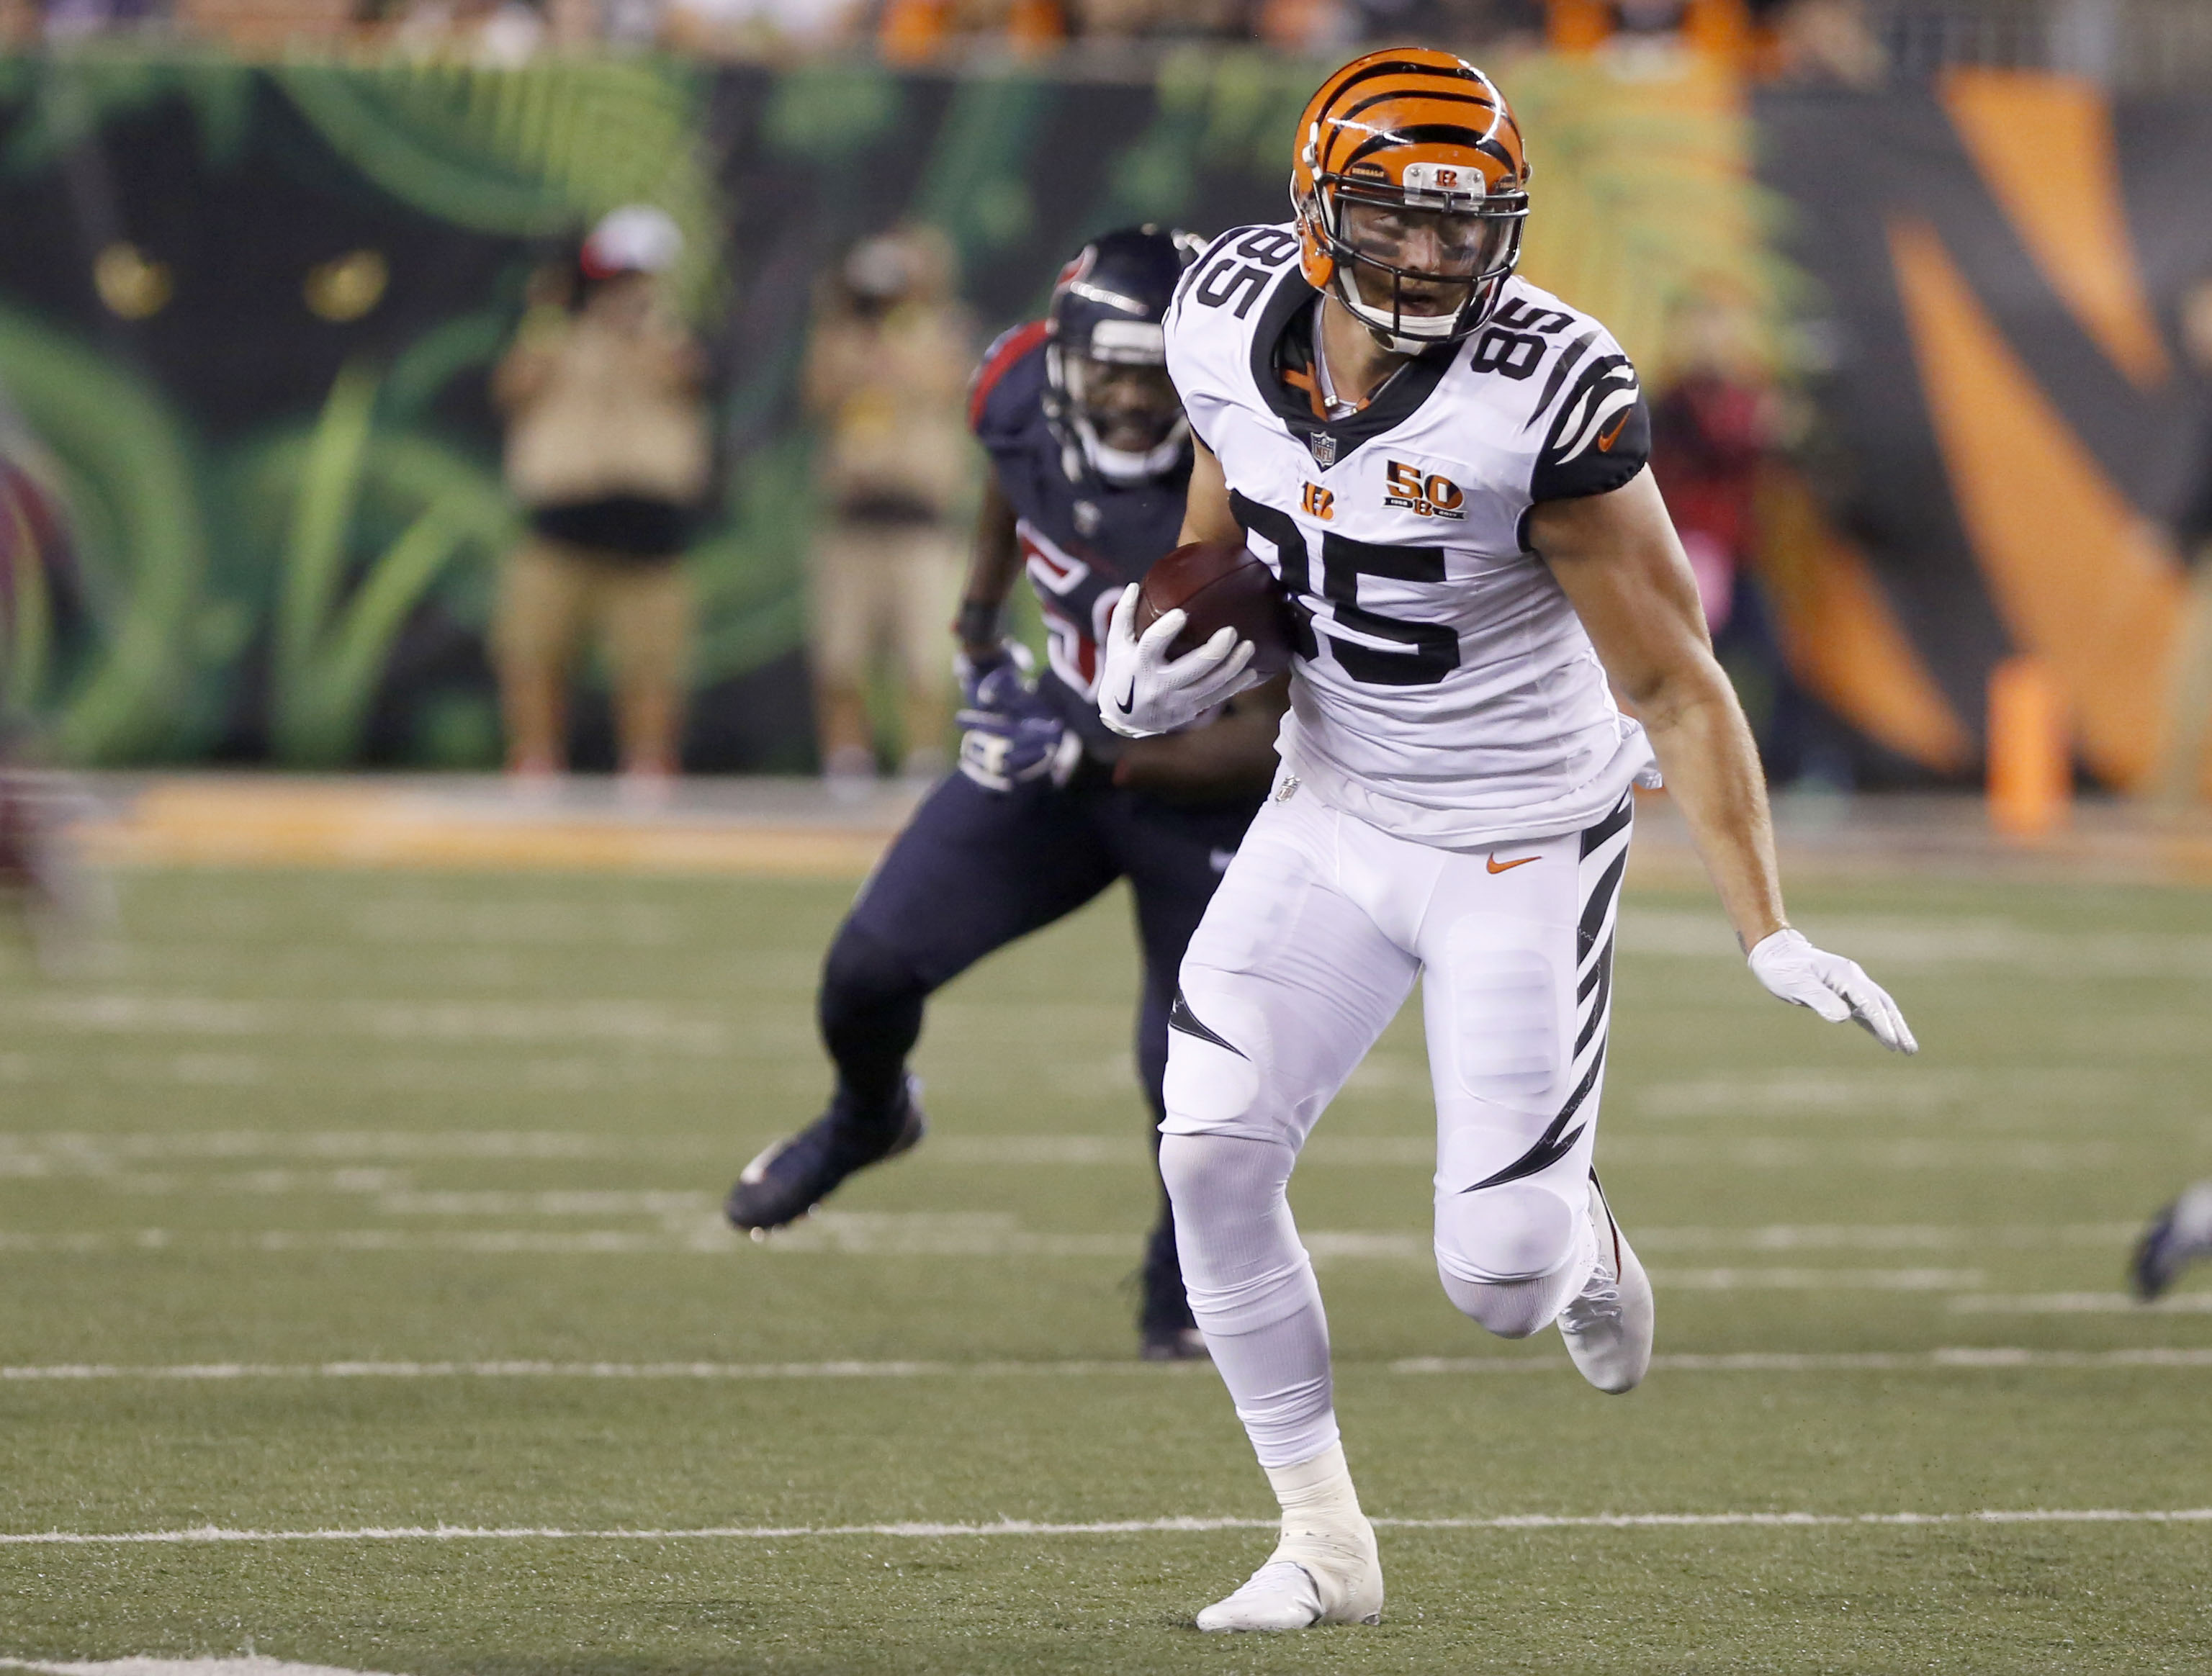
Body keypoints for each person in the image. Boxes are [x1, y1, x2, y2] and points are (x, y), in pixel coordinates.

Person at [1098, 49, 1915, 1631]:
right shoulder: (1220, 317)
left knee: (1499, 1280)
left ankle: (1584, 1241)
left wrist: (1769, 928)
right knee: (1206, 1148)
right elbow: (1227, 508)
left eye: (1463, 229)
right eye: (1395, 220)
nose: (1429, 256)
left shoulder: (1545, 391)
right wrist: (1168, 639)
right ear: (1317, 207)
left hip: (1519, 841)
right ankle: (1324, 1540)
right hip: (1329, 807)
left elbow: (1676, 678)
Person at [727, 227, 1289, 1360]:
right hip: (1069, 749)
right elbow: (1016, 490)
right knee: (868, 970)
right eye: (1111, 368)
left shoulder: (1268, 469)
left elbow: (1278, 739)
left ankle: (1184, 1287)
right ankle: (868, 1117)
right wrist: (981, 637)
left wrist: (1091, 756)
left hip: (1211, 789)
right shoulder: (1017, 390)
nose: (1132, 397)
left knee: (1188, 1073)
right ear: (1064, 355)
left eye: (1157, 373)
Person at [491, 205, 710, 792]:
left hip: (647, 518)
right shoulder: (554, 331)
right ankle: (536, 762)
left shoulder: (668, 332)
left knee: (650, 657)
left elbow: (689, 380)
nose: (622, 289)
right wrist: (553, 317)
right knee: (536, 648)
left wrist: (637, 327)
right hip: (564, 511)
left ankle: (648, 766)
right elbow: (512, 389)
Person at [803, 226, 976, 788]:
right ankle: (846, 760)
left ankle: (922, 759)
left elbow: (949, 382)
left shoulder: (942, 333)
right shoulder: (840, 338)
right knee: (841, 653)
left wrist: (902, 336)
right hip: (852, 517)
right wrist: (847, 322)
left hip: (920, 517)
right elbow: (819, 393)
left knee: (924, 653)